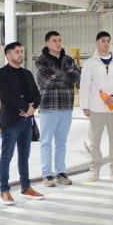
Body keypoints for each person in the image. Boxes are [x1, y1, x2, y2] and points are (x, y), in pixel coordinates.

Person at [0, 41, 44, 204]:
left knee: (24, 155)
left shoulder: (27, 73)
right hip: (10, 121)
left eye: (22, 51)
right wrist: (24, 106)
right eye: (17, 52)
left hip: (26, 120)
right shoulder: (1, 74)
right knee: (6, 155)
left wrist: (32, 108)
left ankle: (26, 187)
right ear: (8, 55)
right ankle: (4, 190)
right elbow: (5, 96)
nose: (21, 54)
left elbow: (37, 93)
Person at [79, 31, 113, 183]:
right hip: (96, 108)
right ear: (97, 43)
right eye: (103, 41)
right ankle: (94, 170)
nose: (106, 43)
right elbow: (85, 85)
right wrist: (85, 106)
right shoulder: (90, 63)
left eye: (108, 40)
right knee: (95, 141)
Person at [35, 31, 80, 187]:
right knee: (46, 142)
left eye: (60, 40)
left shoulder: (68, 59)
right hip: (49, 106)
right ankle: (47, 175)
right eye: (54, 40)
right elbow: (45, 81)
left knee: (61, 142)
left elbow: (76, 77)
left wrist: (57, 76)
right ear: (47, 43)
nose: (58, 43)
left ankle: (60, 172)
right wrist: (66, 75)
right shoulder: (41, 61)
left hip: (66, 106)